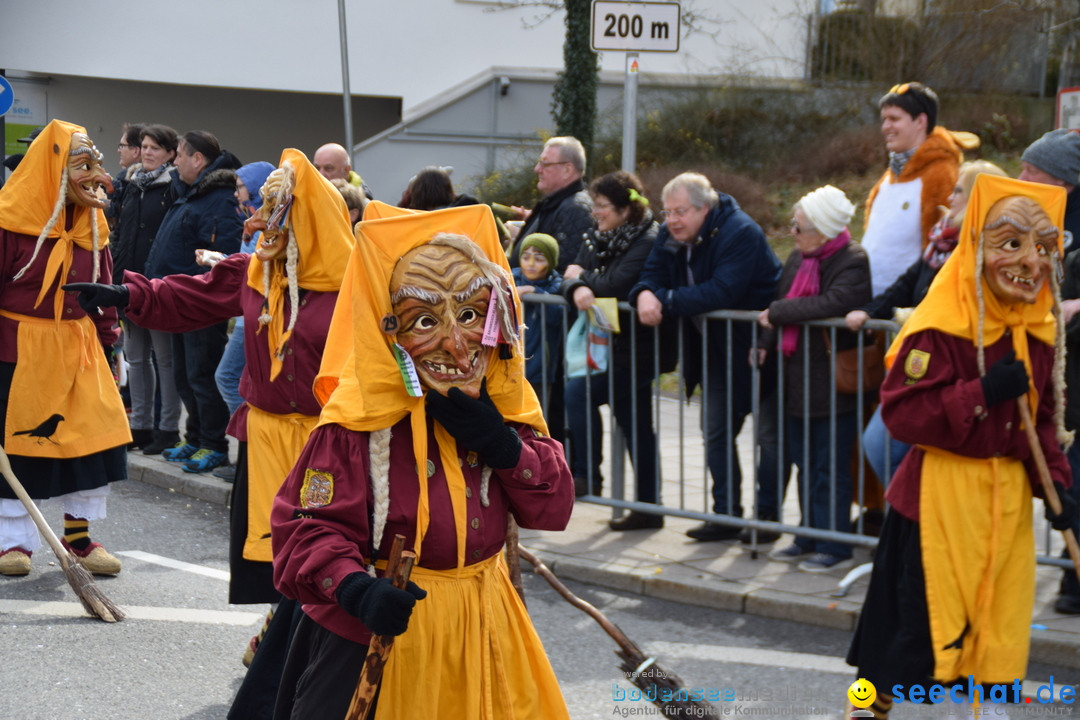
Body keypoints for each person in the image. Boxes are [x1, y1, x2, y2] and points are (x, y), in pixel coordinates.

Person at [65, 150, 356, 715]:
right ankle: (280, 627)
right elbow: (190, 295)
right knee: (274, 553)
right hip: (268, 435)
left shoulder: (357, 284)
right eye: (261, 208)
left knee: (330, 551)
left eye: (275, 210)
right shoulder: (257, 271)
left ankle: (308, 646)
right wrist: (128, 295)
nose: (257, 221)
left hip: (332, 442)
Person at [270, 202, 574, 719]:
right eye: (425, 320)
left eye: (473, 314)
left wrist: (505, 447)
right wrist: (355, 588)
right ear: (389, 331)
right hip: (382, 635)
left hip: (486, 628)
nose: (457, 345)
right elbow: (303, 531)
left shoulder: (503, 406)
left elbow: (555, 507)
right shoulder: (357, 423)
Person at [846, 175, 1078, 719]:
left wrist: (1060, 485)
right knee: (900, 642)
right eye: (1011, 243)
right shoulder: (940, 325)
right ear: (978, 244)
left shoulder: (1039, 329)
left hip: (1006, 505)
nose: (1029, 261)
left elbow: (1043, 421)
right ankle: (862, 712)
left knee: (995, 628)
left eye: (1043, 247)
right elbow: (902, 413)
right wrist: (981, 392)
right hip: (936, 507)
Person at [0, 120, 128, 577]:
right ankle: (14, 542)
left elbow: (105, 287)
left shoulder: (95, 225)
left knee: (90, 442)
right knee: (21, 445)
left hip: (79, 348)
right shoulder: (8, 221)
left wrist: (109, 344)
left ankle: (80, 537)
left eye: (97, 164)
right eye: (83, 165)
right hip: (19, 351)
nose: (97, 175)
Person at [630, 172, 781, 541]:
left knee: (769, 438)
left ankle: (767, 519)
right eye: (667, 213)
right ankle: (726, 515)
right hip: (713, 351)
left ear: (705, 207)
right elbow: (649, 274)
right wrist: (644, 294)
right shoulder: (671, 234)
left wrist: (663, 300)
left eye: (680, 212)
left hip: (758, 348)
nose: (672, 221)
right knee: (714, 432)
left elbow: (722, 292)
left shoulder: (740, 231)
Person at [847, 160, 1008, 485]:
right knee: (884, 445)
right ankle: (912, 522)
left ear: (978, 195)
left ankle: (915, 521)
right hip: (922, 354)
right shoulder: (943, 239)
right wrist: (872, 310)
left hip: (948, 363)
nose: (951, 196)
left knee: (885, 444)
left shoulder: (982, 246)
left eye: (959, 190)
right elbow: (910, 280)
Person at [756, 185, 871, 572]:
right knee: (806, 462)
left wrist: (778, 312)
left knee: (830, 466)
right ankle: (807, 534)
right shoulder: (797, 257)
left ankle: (834, 544)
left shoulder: (852, 259)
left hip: (832, 383)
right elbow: (782, 302)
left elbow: (832, 302)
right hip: (796, 380)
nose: (793, 232)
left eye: (800, 227)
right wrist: (765, 341)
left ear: (823, 229)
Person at [561, 170, 664, 526]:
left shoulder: (647, 238)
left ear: (624, 209)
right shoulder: (597, 236)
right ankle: (649, 509)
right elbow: (568, 279)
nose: (596, 213)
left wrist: (581, 280)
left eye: (603, 206)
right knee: (637, 427)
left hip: (638, 349)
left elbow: (618, 284)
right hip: (608, 347)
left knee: (579, 394)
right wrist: (576, 288)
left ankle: (588, 475)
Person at [144, 130, 243, 473]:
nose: (175, 161)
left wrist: (196, 283)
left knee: (203, 374)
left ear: (197, 159)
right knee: (185, 375)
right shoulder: (189, 193)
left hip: (200, 303)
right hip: (178, 299)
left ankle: (213, 444)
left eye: (180, 156)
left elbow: (225, 257)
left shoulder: (219, 199)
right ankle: (196, 437)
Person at [109, 124, 184, 455]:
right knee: (136, 358)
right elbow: (121, 234)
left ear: (170, 153)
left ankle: (168, 429)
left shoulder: (173, 187)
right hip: (129, 283)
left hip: (158, 285)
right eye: (146, 146)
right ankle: (140, 425)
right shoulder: (131, 184)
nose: (149, 152)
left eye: (156, 148)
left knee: (164, 359)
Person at [861, 82, 964, 297]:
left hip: (905, 307)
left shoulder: (940, 174)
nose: (885, 127)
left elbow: (942, 247)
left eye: (894, 119)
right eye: (884, 119)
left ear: (920, 121)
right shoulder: (890, 175)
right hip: (870, 304)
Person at [507, 136, 594, 273]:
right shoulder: (556, 204)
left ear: (567, 170)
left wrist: (533, 289)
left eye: (545, 164)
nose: (537, 169)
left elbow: (563, 269)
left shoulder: (576, 209)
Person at [511, 232, 563, 408]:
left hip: (540, 369)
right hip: (510, 365)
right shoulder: (510, 278)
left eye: (539, 259)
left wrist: (535, 292)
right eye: (525, 258)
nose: (531, 264)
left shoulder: (556, 285)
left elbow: (557, 316)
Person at [1017, 129, 1080, 249]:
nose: (1021, 179)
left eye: (1032, 171)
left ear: (1061, 177)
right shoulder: (1022, 209)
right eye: (1023, 169)